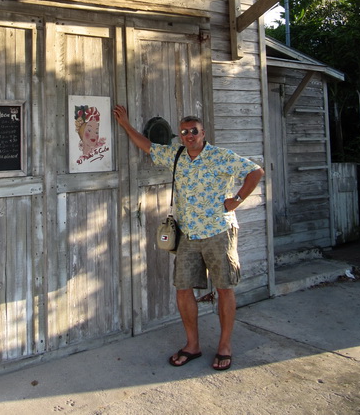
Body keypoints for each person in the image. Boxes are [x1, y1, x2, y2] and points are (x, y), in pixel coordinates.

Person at [113, 104, 264, 371]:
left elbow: (256, 171)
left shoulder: (221, 156)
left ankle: (224, 346)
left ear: (203, 133)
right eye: (184, 132)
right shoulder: (176, 155)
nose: (189, 135)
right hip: (188, 234)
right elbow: (148, 146)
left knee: (224, 288)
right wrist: (125, 124)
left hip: (218, 231)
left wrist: (237, 200)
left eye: (194, 131)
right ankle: (192, 345)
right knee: (183, 289)